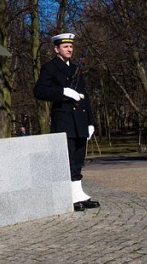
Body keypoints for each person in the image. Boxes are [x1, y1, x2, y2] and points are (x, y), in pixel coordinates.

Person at [33, 32, 99, 212]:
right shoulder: (50, 68)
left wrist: (90, 121)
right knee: (68, 160)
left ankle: (78, 194)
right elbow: (39, 91)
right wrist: (62, 92)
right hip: (64, 121)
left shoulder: (76, 68)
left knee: (78, 159)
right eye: (65, 47)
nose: (69, 49)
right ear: (56, 49)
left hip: (79, 121)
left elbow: (85, 98)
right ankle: (69, 196)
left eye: (71, 46)